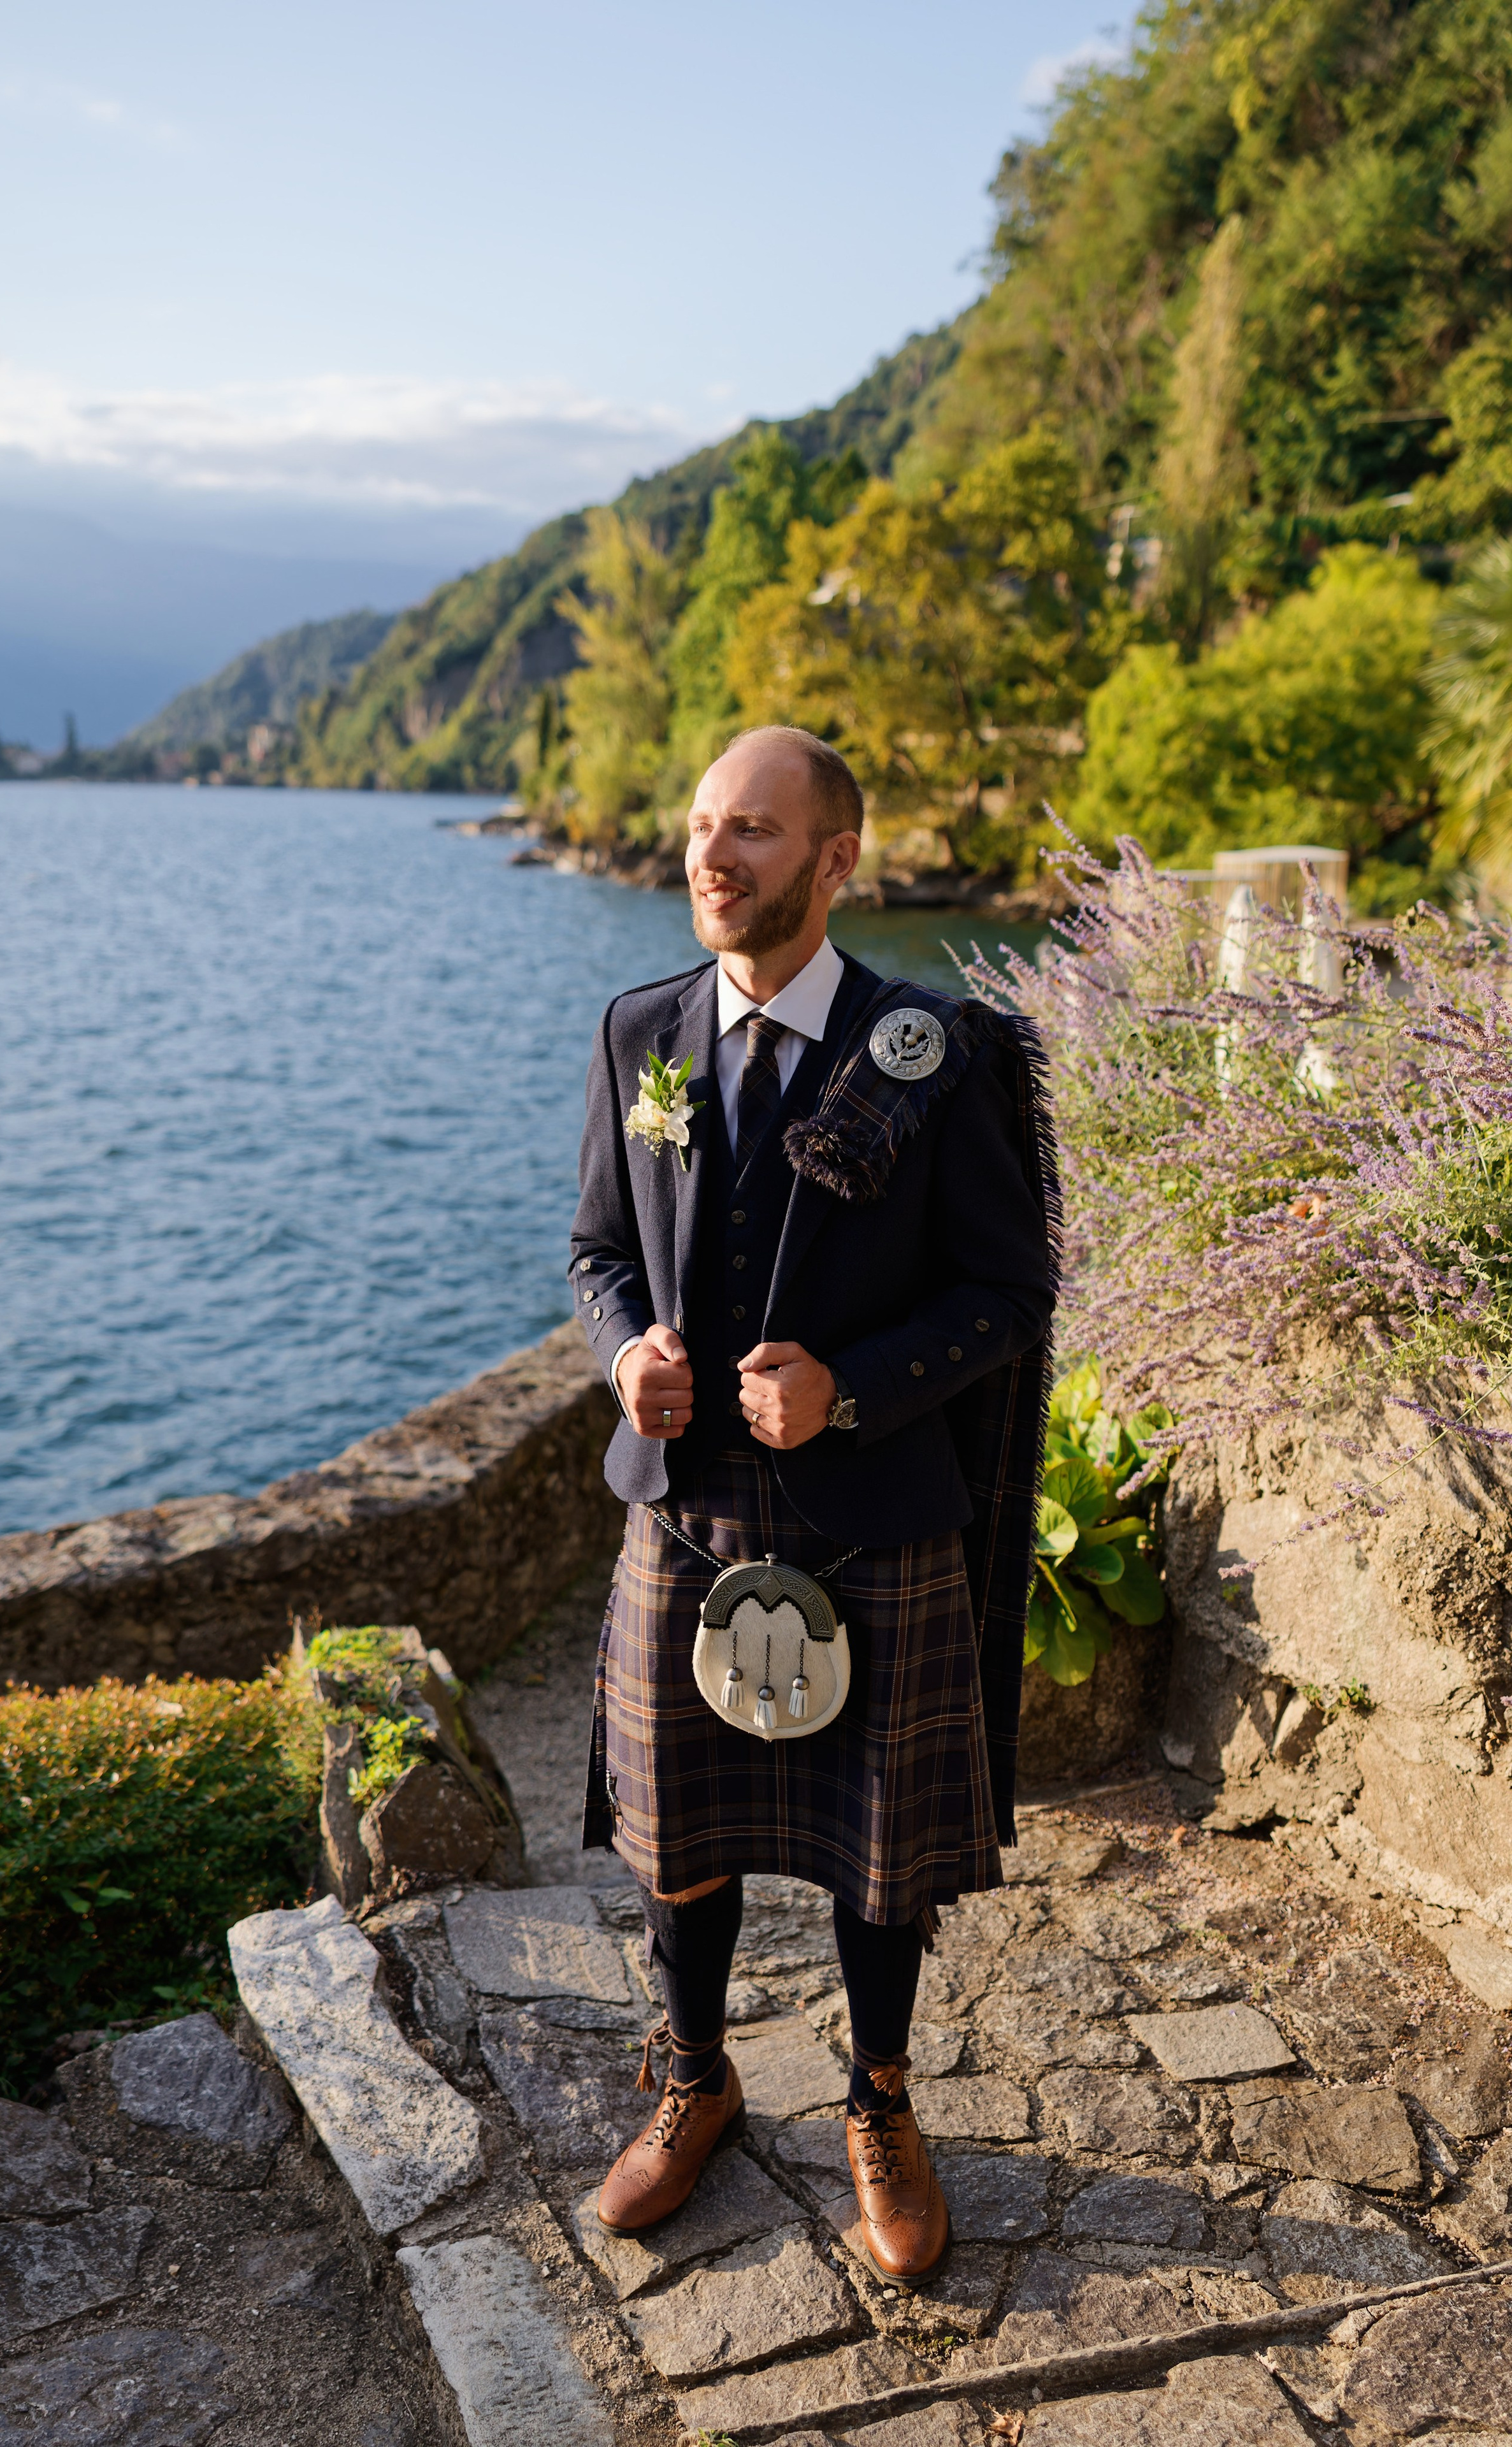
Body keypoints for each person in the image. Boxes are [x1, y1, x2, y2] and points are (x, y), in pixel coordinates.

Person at [570, 725, 1056, 2286]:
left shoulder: (937, 1053)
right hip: (686, 1512)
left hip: (873, 1522)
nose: (711, 855)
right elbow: (594, 1256)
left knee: (873, 1855)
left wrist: (847, 1388)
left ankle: (879, 2103)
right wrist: (624, 1350)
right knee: (679, 1840)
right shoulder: (640, 1032)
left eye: (754, 832)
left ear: (835, 861)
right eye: (703, 823)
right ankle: (696, 2077)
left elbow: (1009, 1291)